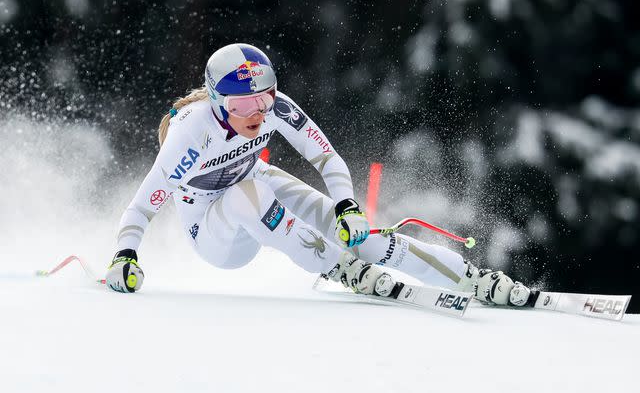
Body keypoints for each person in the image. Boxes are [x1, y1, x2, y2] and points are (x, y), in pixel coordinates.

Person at [106, 43, 533, 307]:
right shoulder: (190, 134)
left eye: (264, 99)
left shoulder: (275, 108)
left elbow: (326, 156)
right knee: (248, 191)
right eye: (241, 106)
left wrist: (348, 209)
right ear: (218, 103)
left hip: (259, 187)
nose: (256, 113)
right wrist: (124, 256)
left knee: (355, 231)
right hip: (214, 233)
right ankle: (340, 269)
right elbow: (142, 207)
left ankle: (467, 277)